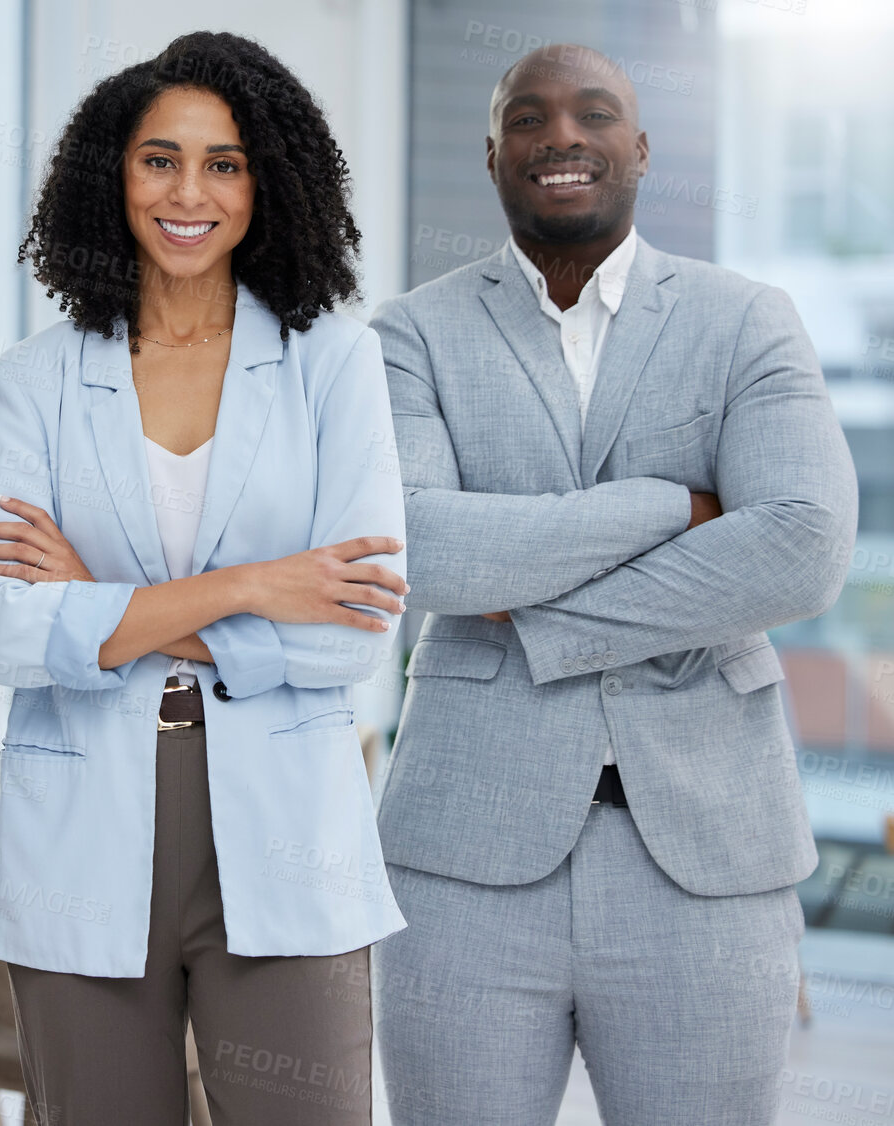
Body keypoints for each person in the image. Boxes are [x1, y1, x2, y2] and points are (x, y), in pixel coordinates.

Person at [370, 43, 857, 1126]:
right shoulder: (408, 333)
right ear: (491, 152)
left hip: (705, 856)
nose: (562, 136)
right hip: (462, 855)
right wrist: (664, 505)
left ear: (637, 148)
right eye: (528, 117)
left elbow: (802, 543)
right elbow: (417, 550)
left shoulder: (745, 319)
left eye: (593, 113)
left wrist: (532, 610)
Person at [0, 31, 409, 1126]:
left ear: (269, 183)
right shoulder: (31, 382)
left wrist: (102, 605)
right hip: (82, 823)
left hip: (284, 823)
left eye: (224, 163)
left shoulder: (331, 362)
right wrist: (254, 585)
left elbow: (353, 634)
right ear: (109, 175)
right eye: (158, 159)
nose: (187, 192)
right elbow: (9, 634)